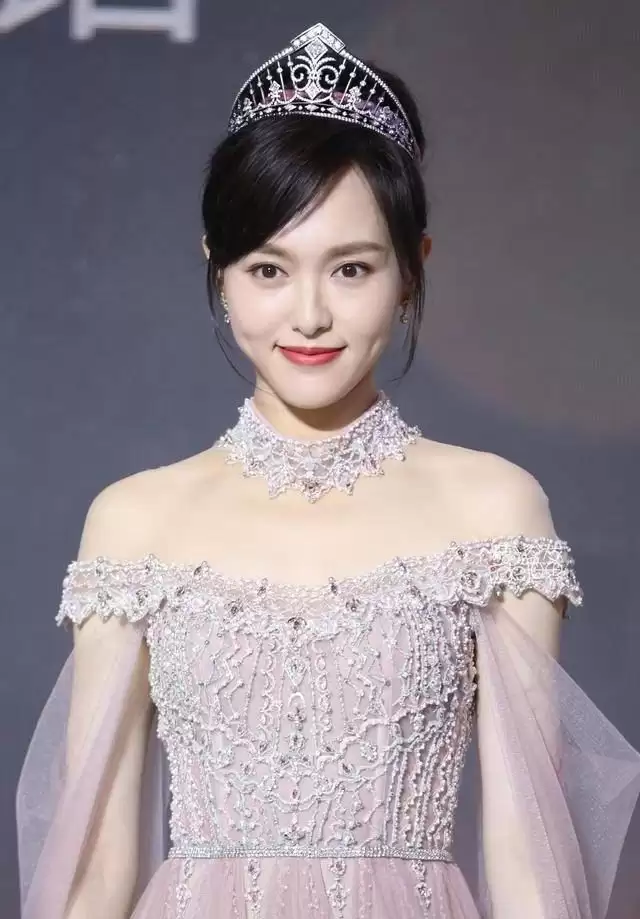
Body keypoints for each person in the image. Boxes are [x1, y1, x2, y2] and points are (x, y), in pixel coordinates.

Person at [15, 21, 640, 919]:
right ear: (218, 269)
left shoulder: (493, 509)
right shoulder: (134, 521)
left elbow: (530, 866)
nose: (308, 314)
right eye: (268, 269)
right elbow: (93, 874)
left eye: (350, 269)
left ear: (412, 271)